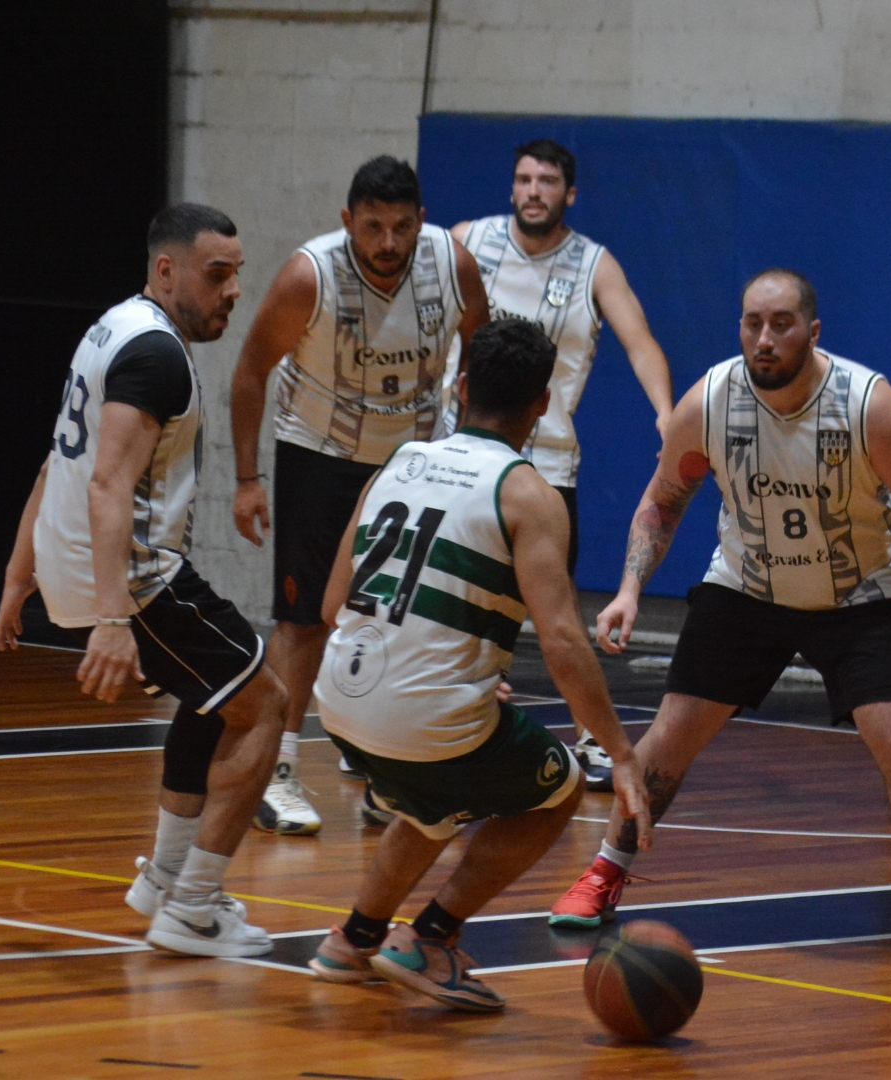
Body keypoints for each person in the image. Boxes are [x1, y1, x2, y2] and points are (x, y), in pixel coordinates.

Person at [547, 269, 891, 956]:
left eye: (781, 324)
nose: (764, 338)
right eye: (752, 323)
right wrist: (629, 590)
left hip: (857, 596)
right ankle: (606, 871)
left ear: (812, 332)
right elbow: (664, 499)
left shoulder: (867, 404)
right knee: (668, 739)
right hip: (748, 589)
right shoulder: (709, 401)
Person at [304, 319, 652, 1010]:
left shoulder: (398, 462)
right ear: (543, 403)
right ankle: (430, 939)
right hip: (424, 717)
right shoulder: (529, 494)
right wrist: (622, 753)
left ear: (461, 387)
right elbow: (562, 642)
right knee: (557, 789)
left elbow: (330, 603)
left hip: (338, 702)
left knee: (432, 800)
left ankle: (353, 940)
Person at [0, 204, 286, 958]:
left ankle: (165, 880)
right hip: (137, 577)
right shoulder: (156, 355)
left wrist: (21, 571)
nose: (232, 291)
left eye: (237, 275)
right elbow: (106, 485)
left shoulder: (112, 327)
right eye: (216, 275)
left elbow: (57, 462)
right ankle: (193, 906)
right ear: (167, 270)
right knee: (266, 706)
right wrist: (114, 618)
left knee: (213, 698)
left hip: (86, 567)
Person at [230, 156, 489, 835]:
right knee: (306, 619)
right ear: (348, 221)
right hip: (320, 456)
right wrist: (248, 479)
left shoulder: (453, 265)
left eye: (402, 227)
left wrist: (472, 444)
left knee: (403, 618)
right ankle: (277, 770)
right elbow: (251, 370)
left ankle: (387, 777)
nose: (388, 243)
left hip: (413, 463)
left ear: (421, 221)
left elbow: (481, 351)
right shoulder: (308, 275)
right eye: (373, 227)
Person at [450, 139, 674, 791]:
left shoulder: (595, 264)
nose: (533, 191)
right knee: (455, 593)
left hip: (546, 461)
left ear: (569, 194)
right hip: (465, 451)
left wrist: (666, 413)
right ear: (511, 187)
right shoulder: (466, 242)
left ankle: (592, 738)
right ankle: (437, 723)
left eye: (547, 181)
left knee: (557, 607)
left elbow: (641, 343)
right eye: (524, 179)